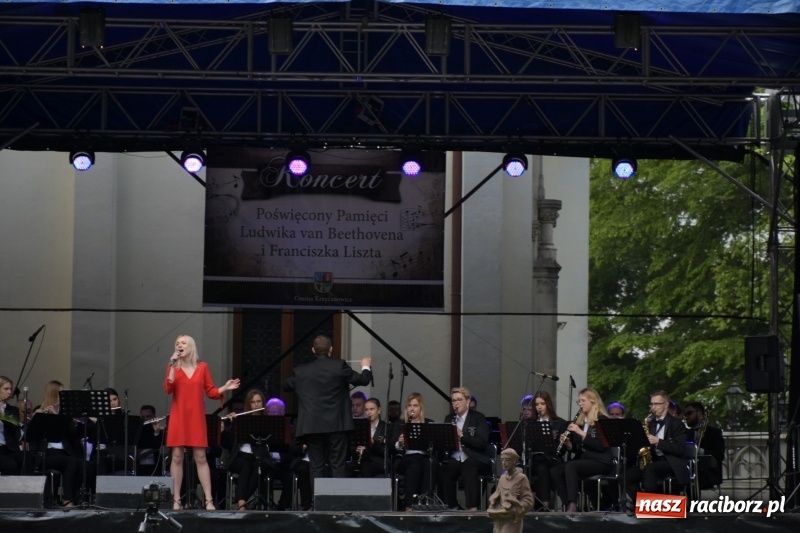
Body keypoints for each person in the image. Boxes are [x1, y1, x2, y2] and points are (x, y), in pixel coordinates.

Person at [164, 334, 240, 510]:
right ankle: (176, 499)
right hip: (179, 416)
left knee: (200, 456)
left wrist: (225, 387)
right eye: (177, 343)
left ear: (191, 346)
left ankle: (208, 499)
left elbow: (211, 392)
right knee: (176, 457)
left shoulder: (202, 367)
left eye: (183, 343)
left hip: (196, 417)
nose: (179, 345)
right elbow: (168, 388)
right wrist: (173, 366)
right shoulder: (173, 366)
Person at [283, 335, 372, 479]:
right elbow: (363, 380)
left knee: (316, 466)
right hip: (337, 424)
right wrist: (366, 366)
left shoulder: (301, 371)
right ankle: (336, 501)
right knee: (338, 464)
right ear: (331, 349)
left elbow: (286, 386)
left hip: (312, 425)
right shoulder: (339, 366)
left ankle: (316, 501)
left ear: (313, 350)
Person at [549, 387, 613, 513]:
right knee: (555, 470)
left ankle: (573, 504)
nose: (580, 404)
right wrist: (569, 444)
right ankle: (567, 502)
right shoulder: (581, 422)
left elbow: (600, 446)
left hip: (601, 461)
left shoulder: (602, 420)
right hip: (586, 460)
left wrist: (581, 433)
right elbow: (579, 449)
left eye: (583, 401)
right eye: (579, 401)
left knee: (571, 466)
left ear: (593, 402)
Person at [625, 390, 689, 502]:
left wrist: (658, 441)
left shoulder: (677, 424)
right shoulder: (651, 423)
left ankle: (650, 507)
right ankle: (640, 504)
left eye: (657, 404)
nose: (653, 407)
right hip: (654, 461)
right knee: (626, 477)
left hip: (671, 462)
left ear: (666, 404)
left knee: (650, 469)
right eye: (652, 404)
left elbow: (680, 449)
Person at [32, 380, 83, 507]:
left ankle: (77, 498)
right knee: (71, 461)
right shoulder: (39, 412)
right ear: (54, 394)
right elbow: (33, 436)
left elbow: (73, 433)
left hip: (64, 452)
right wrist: (37, 418)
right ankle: (66, 499)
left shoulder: (65, 414)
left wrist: (58, 417)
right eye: (61, 392)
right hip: (46, 454)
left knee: (80, 463)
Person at [441, 386, 492, 511]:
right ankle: (453, 507)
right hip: (456, 456)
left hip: (475, 456)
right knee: (443, 469)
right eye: (453, 400)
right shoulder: (449, 418)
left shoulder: (478, 417)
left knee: (468, 466)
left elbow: (482, 442)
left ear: (468, 401)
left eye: (459, 399)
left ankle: (472, 507)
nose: (456, 403)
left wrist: (462, 435)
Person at [227, 389, 272, 510]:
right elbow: (228, 442)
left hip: (259, 456)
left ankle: (242, 501)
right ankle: (242, 502)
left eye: (259, 401)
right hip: (240, 456)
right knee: (245, 465)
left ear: (263, 403)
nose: (256, 404)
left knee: (259, 467)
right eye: (253, 402)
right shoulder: (241, 419)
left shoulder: (268, 421)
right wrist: (232, 424)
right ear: (249, 404)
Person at [524, 392, 566, 511]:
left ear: (548, 404)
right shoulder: (530, 423)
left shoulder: (559, 423)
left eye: (543, 403)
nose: (539, 407)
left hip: (551, 459)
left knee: (542, 468)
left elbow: (561, 449)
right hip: (533, 458)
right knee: (518, 470)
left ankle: (545, 506)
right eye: (537, 404)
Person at [394, 392, 436, 511]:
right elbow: (392, 446)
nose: (412, 408)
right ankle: (409, 504)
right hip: (406, 458)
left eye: (415, 405)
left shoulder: (428, 423)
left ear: (421, 408)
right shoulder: (399, 424)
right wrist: (400, 443)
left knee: (430, 463)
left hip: (423, 456)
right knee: (413, 465)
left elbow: (435, 444)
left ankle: (425, 501)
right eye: (409, 405)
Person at [488, 448, 534, 533]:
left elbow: (528, 499)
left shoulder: (521, 478)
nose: (504, 463)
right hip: (501, 516)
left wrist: (516, 508)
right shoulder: (502, 478)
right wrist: (493, 503)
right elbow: (497, 494)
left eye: (507, 460)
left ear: (514, 461)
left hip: (514, 517)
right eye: (502, 460)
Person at [683, 401, 725, 489]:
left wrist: (700, 451)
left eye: (689, 413)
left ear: (700, 414)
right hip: (689, 471)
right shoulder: (685, 434)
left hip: (707, 473)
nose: (687, 417)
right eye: (685, 414)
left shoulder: (714, 432)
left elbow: (720, 455)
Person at [352, 398, 396, 478]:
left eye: (372, 409)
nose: (369, 412)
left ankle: (367, 490)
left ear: (379, 410)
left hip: (379, 461)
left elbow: (389, 450)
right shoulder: (361, 427)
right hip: (362, 459)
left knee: (366, 468)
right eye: (367, 410)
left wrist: (373, 443)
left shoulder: (387, 428)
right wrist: (356, 449)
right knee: (348, 468)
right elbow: (351, 447)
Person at [0, 375, 34, 475]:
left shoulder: (12, 410)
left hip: (7, 448)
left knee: (26, 457)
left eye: (10, 389)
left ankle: (27, 488)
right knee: (11, 464)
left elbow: (15, 428)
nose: (10, 392)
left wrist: (3, 416)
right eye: (6, 389)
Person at [137, 404, 165, 476]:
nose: (145, 419)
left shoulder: (159, 432)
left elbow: (158, 447)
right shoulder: (137, 431)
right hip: (138, 466)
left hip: (155, 466)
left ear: (154, 417)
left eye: (148, 417)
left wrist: (156, 432)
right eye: (143, 417)